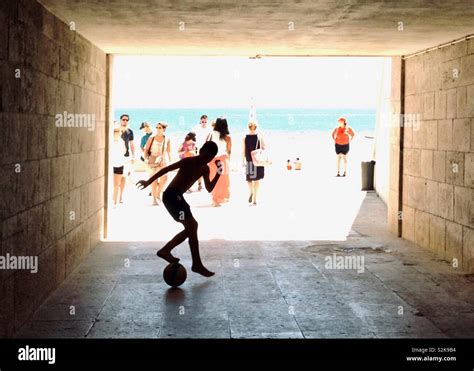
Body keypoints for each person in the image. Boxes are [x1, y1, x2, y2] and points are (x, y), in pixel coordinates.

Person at [136, 141, 223, 277]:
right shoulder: (188, 161)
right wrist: (148, 182)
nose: (207, 159)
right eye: (206, 155)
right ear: (200, 151)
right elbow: (166, 169)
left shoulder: (205, 168)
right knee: (192, 226)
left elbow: (209, 188)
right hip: (171, 197)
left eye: (210, 158)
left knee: (192, 227)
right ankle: (191, 262)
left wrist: (218, 173)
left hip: (178, 198)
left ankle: (172, 253)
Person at [144, 122, 171, 205]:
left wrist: (170, 161)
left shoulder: (167, 139)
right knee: (154, 180)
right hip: (152, 161)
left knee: (165, 178)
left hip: (162, 161)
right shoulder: (151, 138)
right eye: (157, 127)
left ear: (164, 129)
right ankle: (154, 199)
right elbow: (146, 150)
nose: (158, 129)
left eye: (160, 127)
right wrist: (146, 160)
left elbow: (168, 151)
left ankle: (159, 193)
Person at [207, 117, 231, 207]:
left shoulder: (211, 134)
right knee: (223, 181)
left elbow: (206, 147)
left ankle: (215, 200)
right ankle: (217, 199)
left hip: (212, 161)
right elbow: (228, 151)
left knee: (214, 180)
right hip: (223, 161)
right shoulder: (227, 137)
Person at [243, 121, 265, 206]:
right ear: (256, 127)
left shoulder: (245, 138)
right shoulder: (259, 137)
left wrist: (242, 161)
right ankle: (255, 199)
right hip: (258, 161)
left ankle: (251, 192)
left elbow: (243, 150)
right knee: (257, 180)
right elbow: (264, 147)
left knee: (249, 179)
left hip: (249, 160)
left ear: (248, 128)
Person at [192, 115, 210, 191]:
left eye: (205, 121)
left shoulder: (209, 129)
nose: (204, 123)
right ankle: (199, 184)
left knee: (204, 168)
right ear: (200, 121)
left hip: (205, 150)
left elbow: (210, 139)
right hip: (197, 150)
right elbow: (191, 137)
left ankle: (201, 184)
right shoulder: (196, 128)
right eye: (203, 121)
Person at [111, 125, 126, 206]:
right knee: (115, 185)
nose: (118, 133)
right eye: (116, 132)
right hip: (114, 164)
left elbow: (124, 151)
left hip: (118, 165)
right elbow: (124, 151)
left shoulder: (120, 141)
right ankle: (114, 201)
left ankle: (115, 201)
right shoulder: (118, 141)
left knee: (116, 185)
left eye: (118, 132)